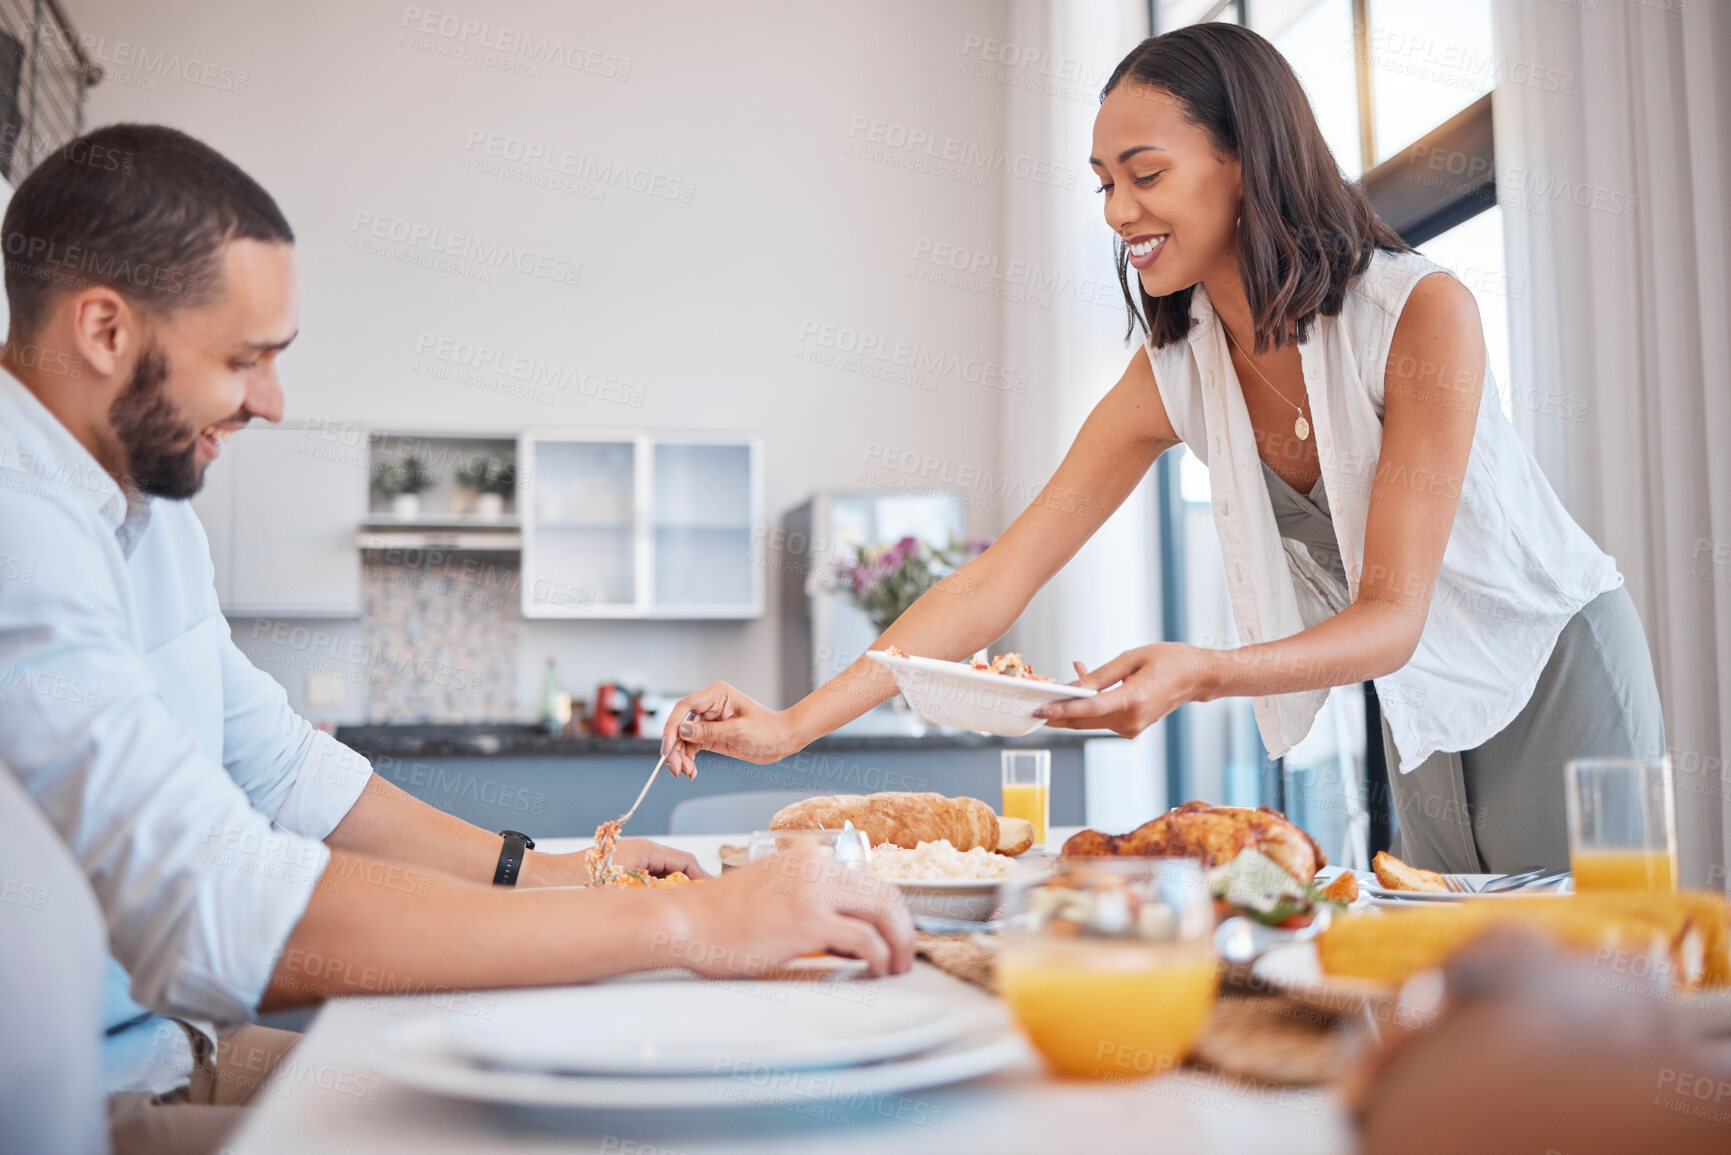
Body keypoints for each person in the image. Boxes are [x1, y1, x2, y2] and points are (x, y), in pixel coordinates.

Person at [0, 124, 911, 1155]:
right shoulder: (16, 522)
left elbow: (279, 766)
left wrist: (547, 871)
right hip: (88, 1101)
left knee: (564, 1092)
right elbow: (213, 903)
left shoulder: (144, 508)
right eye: (244, 359)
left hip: (178, 1051)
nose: (273, 403)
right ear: (106, 332)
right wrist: (692, 926)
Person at [662, 24, 1663, 876]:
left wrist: (1202, 672)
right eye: (1104, 183)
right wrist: (793, 726)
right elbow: (996, 580)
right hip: (1424, 706)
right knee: (1470, 1014)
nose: (1117, 212)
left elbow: (1390, 617)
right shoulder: (1176, 370)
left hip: (1552, 674)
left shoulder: (1420, 315)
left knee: (1606, 1007)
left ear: (1245, 160)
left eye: (1145, 175)